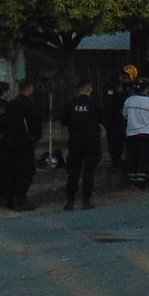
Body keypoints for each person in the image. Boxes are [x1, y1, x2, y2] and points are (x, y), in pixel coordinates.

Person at [60, 80, 103, 209]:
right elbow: (102, 119)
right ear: (90, 90)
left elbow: (63, 121)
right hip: (91, 142)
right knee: (88, 172)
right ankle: (86, 201)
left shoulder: (70, 104)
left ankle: (70, 202)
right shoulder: (94, 104)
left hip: (75, 141)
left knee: (73, 172)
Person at [2, 80, 42, 211]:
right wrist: (35, 138)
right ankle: (19, 198)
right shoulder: (30, 105)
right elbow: (36, 125)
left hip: (10, 142)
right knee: (27, 170)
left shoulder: (11, 104)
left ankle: (11, 198)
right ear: (29, 88)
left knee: (13, 170)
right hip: (25, 142)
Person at [121, 78, 149, 189]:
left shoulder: (128, 101)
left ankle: (132, 180)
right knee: (143, 158)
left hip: (131, 133)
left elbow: (124, 116)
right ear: (146, 89)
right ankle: (140, 182)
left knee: (132, 157)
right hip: (146, 133)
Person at [103, 66, 136, 167]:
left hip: (123, 118)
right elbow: (108, 100)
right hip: (112, 117)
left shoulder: (129, 87)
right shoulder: (112, 84)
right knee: (113, 140)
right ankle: (115, 159)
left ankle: (119, 159)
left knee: (121, 139)